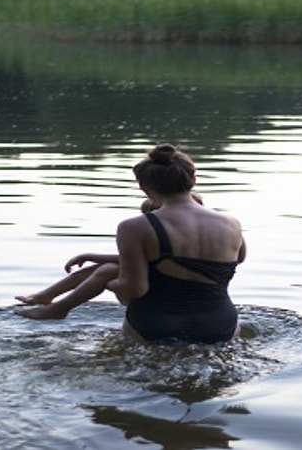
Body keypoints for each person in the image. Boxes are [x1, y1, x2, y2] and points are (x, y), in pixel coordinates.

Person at [19, 143, 246, 345]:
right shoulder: (231, 223)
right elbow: (239, 258)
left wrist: (105, 281)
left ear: (144, 187)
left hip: (154, 323)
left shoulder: (135, 226)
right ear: (193, 180)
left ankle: (56, 310)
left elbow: (134, 288)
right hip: (220, 324)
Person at [13, 192, 203, 320]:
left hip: (164, 297)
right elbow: (137, 261)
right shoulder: (204, 233)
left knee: (107, 271)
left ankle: (56, 308)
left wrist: (98, 266)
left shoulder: (177, 237)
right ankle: (47, 297)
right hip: (179, 295)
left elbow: (137, 263)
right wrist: (92, 256)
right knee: (105, 269)